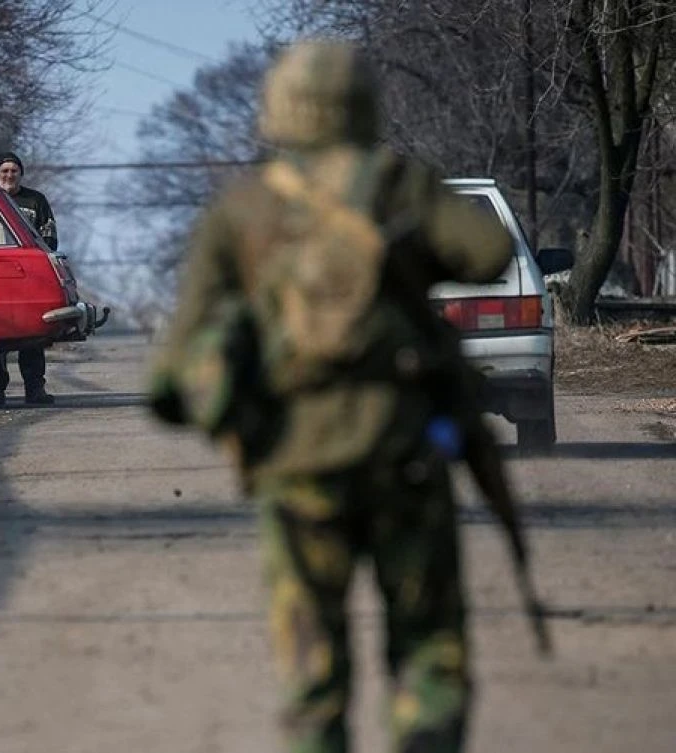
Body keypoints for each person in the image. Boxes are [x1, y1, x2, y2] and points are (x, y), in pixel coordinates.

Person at [149, 40, 524, 753]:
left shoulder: (243, 211)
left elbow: (168, 384)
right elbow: (490, 252)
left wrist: (236, 401)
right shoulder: (400, 184)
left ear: (277, 111)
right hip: (406, 457)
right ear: (367, 105)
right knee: (427, 649)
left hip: (296, 476)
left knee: (312, 675)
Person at [0, 151, 58, 406]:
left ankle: (35, 389)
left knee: (31, 336)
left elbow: (50, 239)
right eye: (4, 171)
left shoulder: (36, 201)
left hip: (27, 280)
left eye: (14, 171)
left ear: (21, 174)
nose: (9, 175)